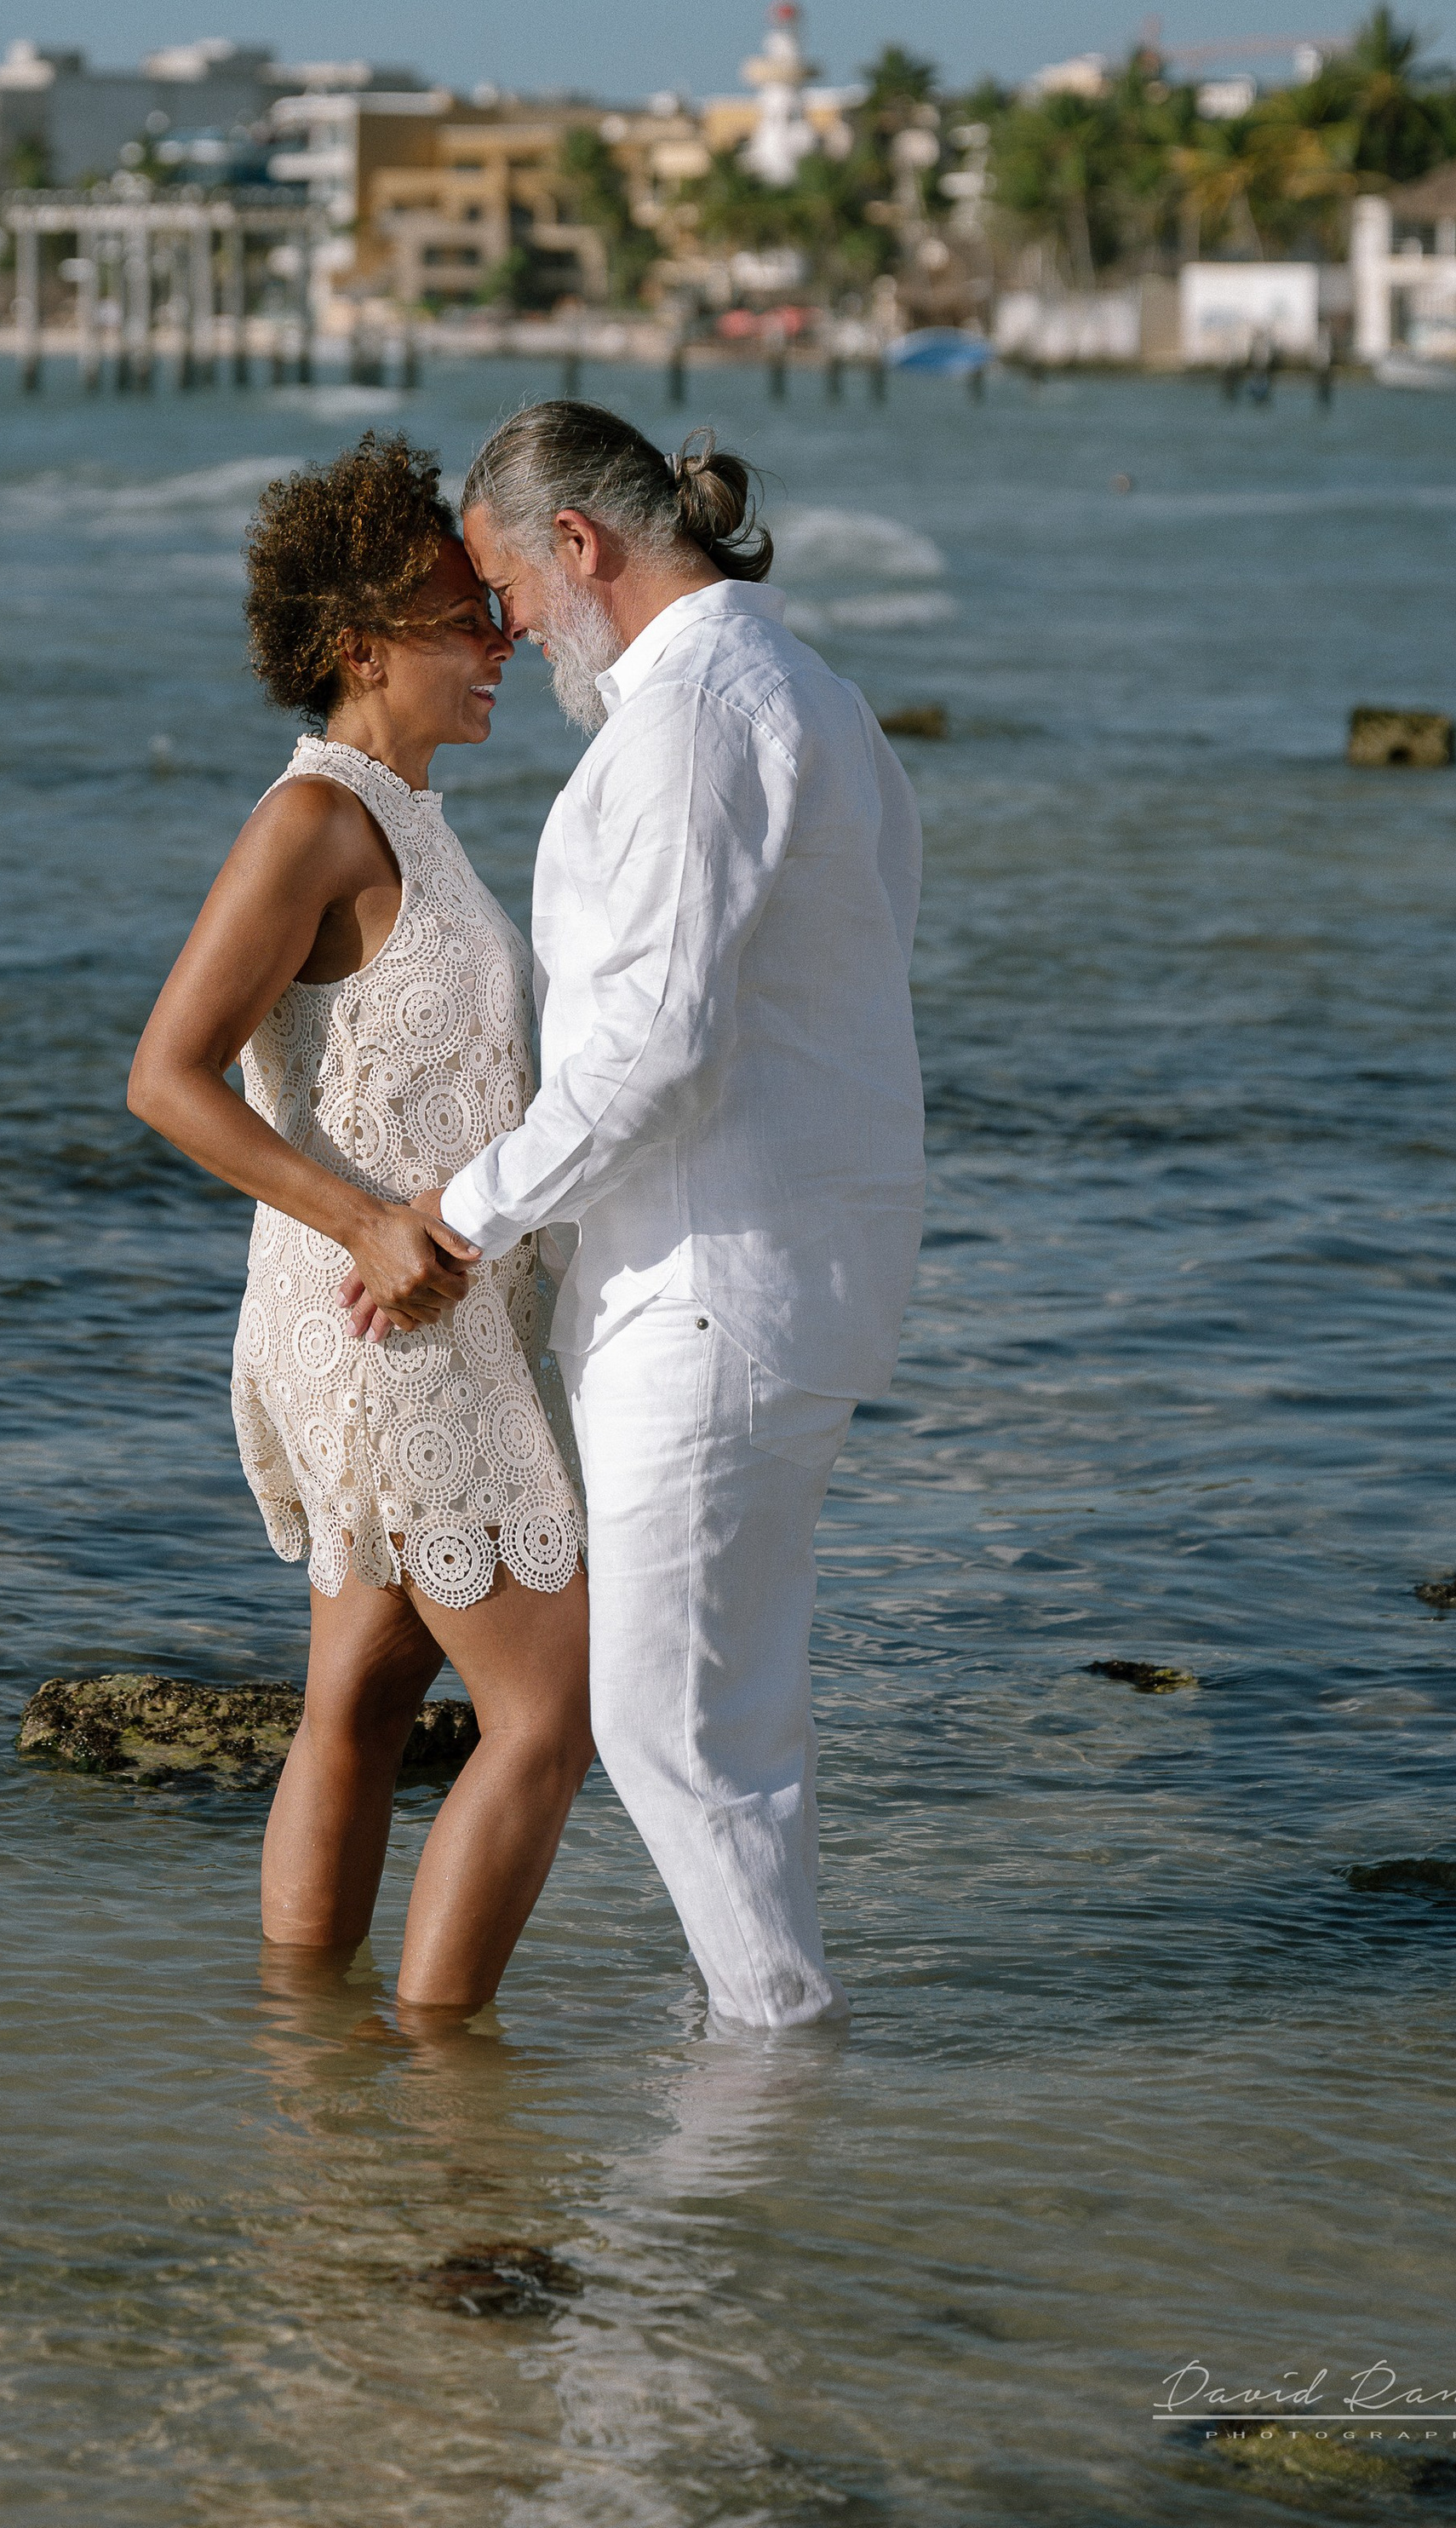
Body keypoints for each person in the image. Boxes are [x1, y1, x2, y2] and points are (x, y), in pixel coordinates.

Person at [353, 400, 925, 2031]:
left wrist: (453, 1213)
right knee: (734, 1725)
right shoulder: (811, 692)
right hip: (787, 1266)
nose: (513, 640)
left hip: (712, 1284)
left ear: (582, 551)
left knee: (674, 1728)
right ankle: (756, 2055)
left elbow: (658, 1043)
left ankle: (762, 2105)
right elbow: (866, 952)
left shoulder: (686, 722)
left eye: (511, 599)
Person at [126, 433, 591, 2019]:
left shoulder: (412, 818)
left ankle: (316, 2093)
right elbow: (166, 1081)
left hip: (409, 1318)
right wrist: (369, 1223)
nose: (502, 643)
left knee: (364, 1700)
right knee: (550, 1716)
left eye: (496, 613)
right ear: (358, 647)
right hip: (381, 1324)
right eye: (466, 621)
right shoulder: (314, 821)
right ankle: (446, 2095)